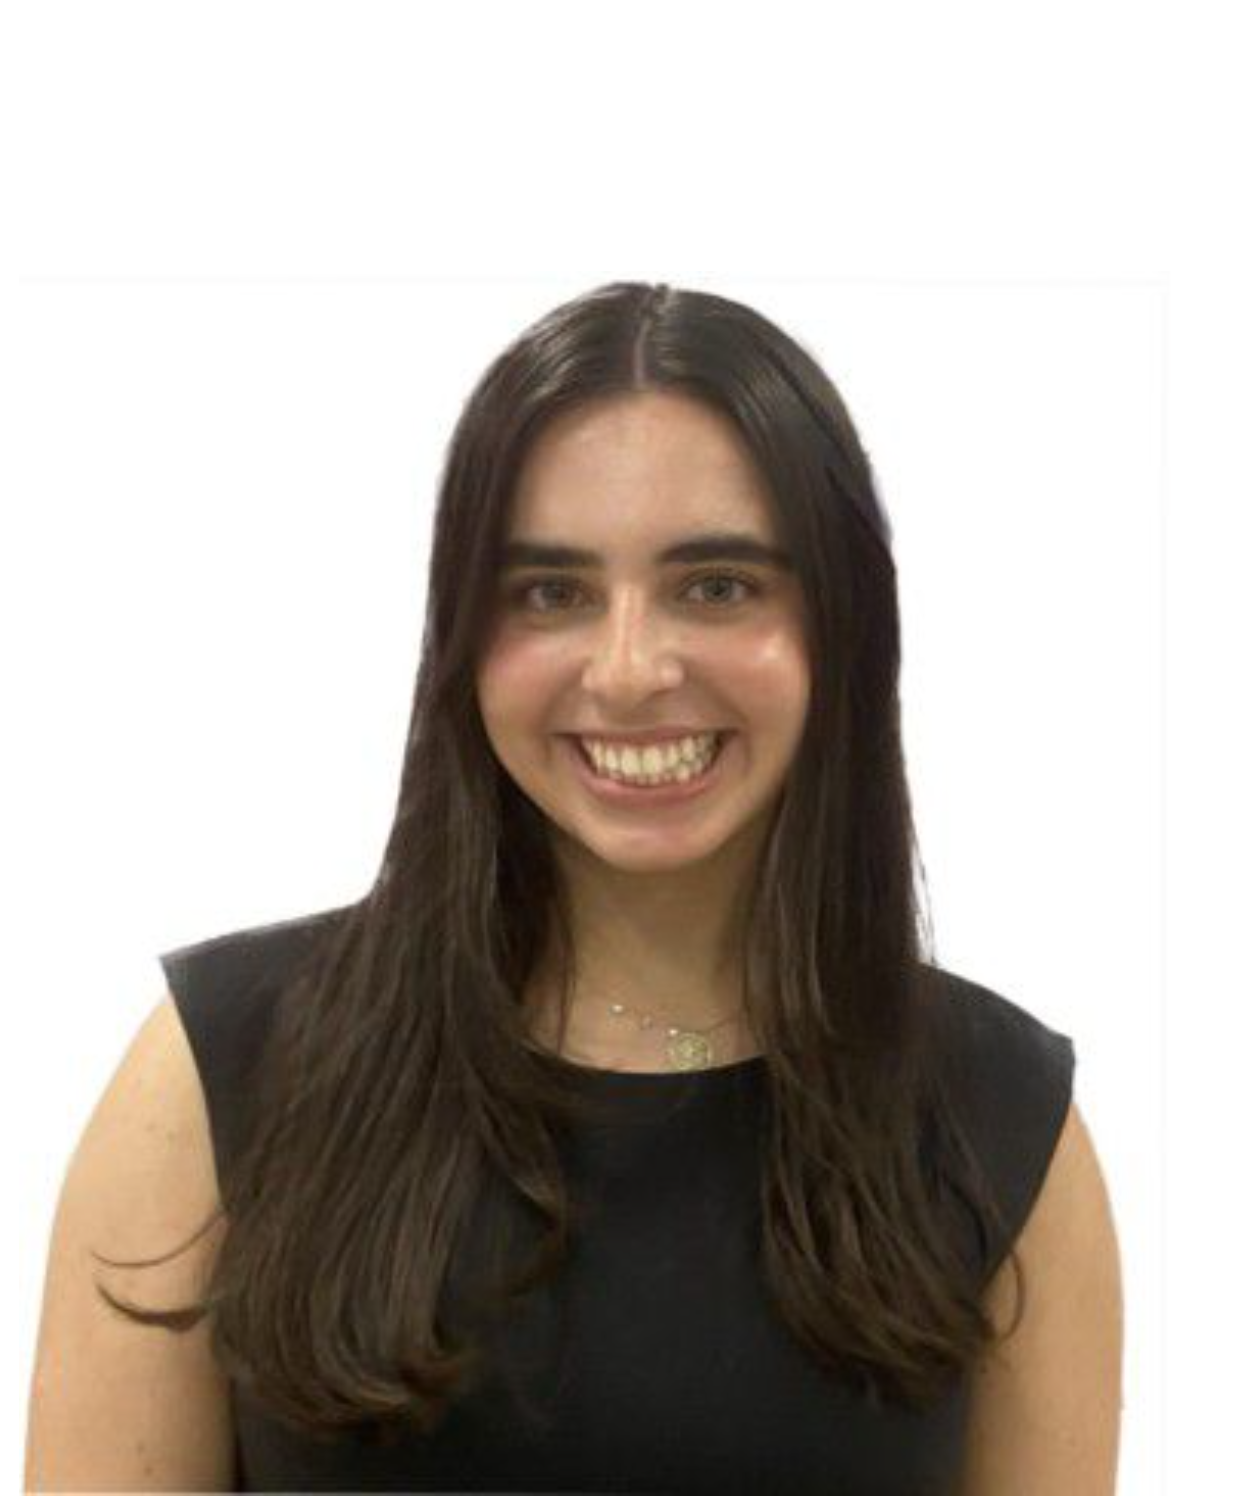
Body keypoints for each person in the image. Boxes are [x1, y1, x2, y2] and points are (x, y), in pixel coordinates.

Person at [24, 281, 1123, 1493]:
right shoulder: (219, 1070)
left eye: (716, 586)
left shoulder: (1001, 1121)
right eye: (551, 592)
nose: (629, 669)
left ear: (841, 628)